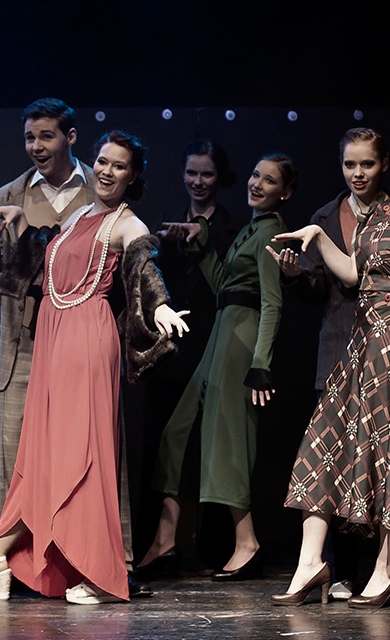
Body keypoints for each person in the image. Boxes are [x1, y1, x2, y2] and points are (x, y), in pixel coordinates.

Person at [0, 130, 189, 604]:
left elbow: (144, 265)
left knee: (83, 455)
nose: (107, 171)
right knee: (40, 458)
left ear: (133, 176)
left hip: (88, 341)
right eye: (102, 161)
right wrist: (18, 222)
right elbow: (43, 263)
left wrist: (159, 305)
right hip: (52, 341)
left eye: (119, 166)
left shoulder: (128, 224)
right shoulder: (79, 215)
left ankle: (94, 571)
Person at [268, 133, 390, 608]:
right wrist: (318, 237)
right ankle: (310, 564)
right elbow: (355, 273)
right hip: (359, 343)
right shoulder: (382, 212)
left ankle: (386, 568)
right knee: (322, 444)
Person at [150, 153, 298, 582]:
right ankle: (165, 539)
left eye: (269, 180)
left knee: (228, 441)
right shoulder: (251, 228)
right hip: (222, 331)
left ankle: (247, 543)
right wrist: (200, 244)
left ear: (285, 192)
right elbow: (223, 286)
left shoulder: (272, 233)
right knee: (177, 432)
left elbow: (272, 303)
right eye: (255, 175)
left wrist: (260, 363)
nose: (257, 184)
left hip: (241, 340)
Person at [274, 128, 389, 599]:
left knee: (383, 458)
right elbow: (316, 289)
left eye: (367, 164)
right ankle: (341, 572)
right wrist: (293, 276)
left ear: (383, 165)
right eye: (349, 164)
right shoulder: (325, 216)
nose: (357, 173)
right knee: (336, 460)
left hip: (385, 347)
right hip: (338, 348)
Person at [0, 98, 95, 510]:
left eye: (46, 136)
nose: (36, 147)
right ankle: (15, 548)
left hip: (80, 344)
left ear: (70, 137)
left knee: (81, 458)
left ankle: (83, 548)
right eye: (29, 138)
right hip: (23, 345)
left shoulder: (99, 190)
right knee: (16, 462)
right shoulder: (9, 193)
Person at [137, 139, 243, 577]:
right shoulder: (166, 222)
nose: (198, 182)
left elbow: (233, 288)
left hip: (214, 344)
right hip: (169, 349)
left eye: (207, 174)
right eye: (191, 173)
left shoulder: (233, 228)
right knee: (166, 443)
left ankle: (214, 547)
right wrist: (165, 245)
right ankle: (164, 543)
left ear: (220, 177)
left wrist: (204, 244)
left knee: (210, 447)